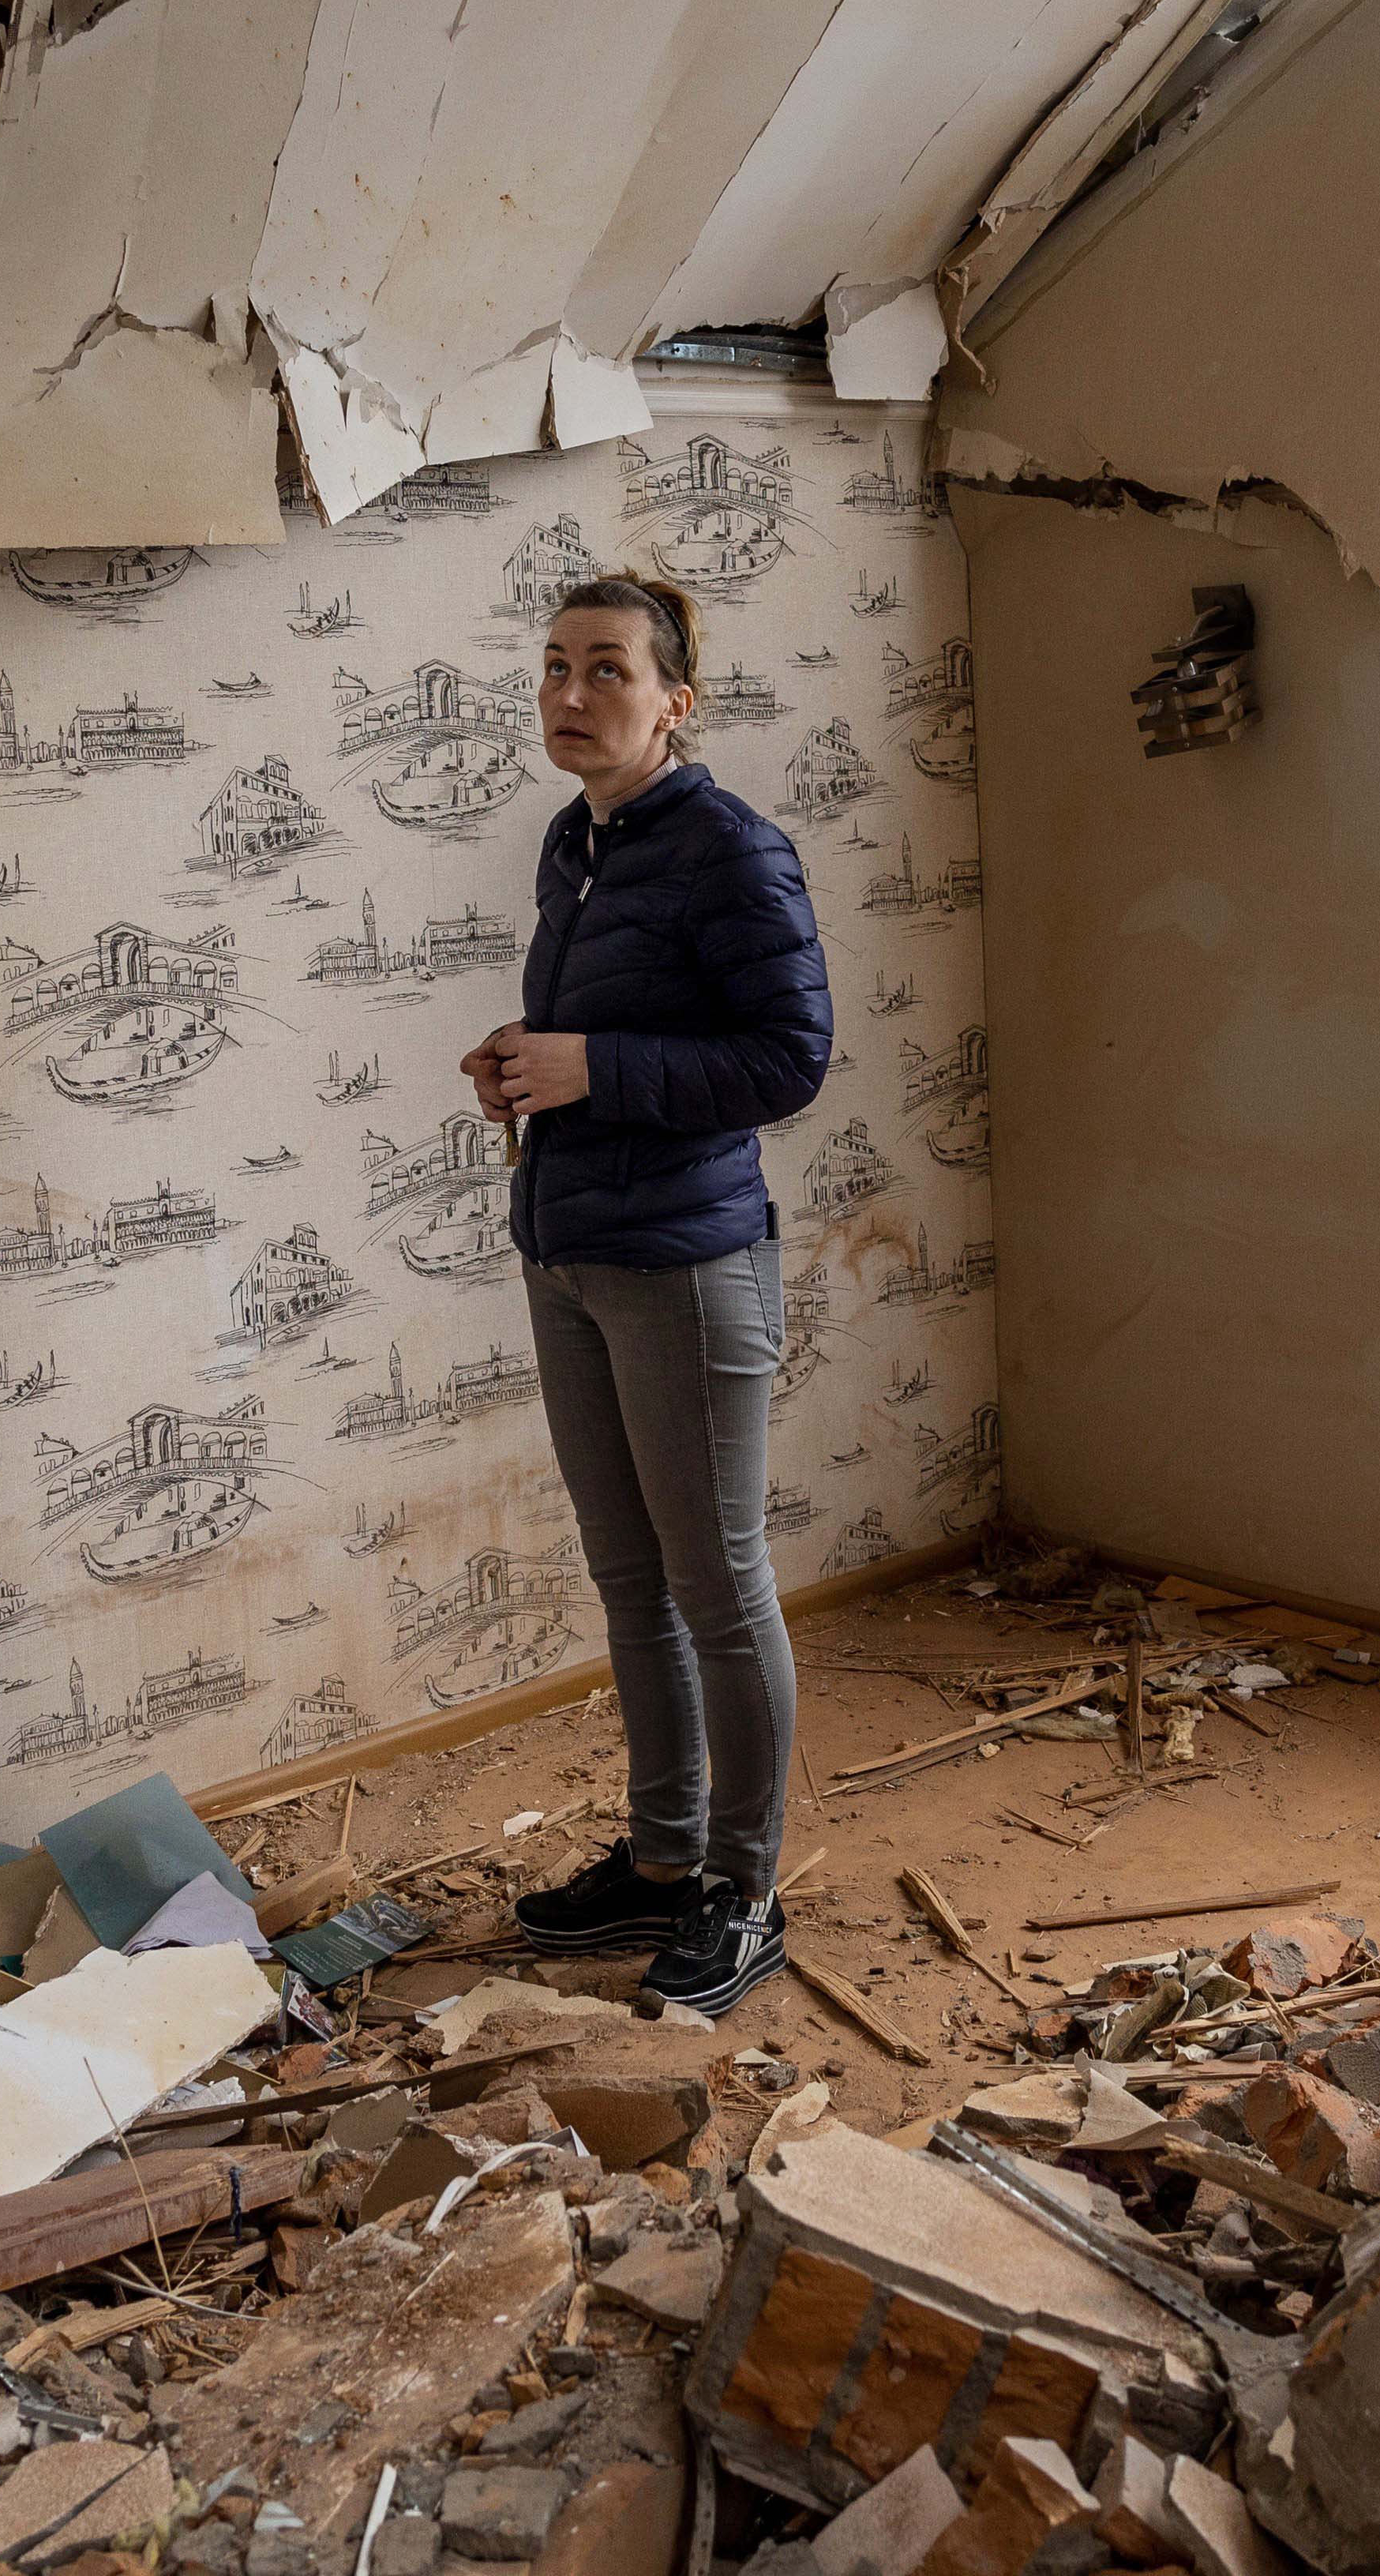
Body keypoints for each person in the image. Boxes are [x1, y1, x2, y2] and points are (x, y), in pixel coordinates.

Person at [463, 572, 831, 2015]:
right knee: (633, 1582)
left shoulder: (735, 850)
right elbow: (615, 1030)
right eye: (555, 667)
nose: (570, 695)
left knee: (718, 1587)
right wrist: (528, 1059)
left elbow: (785, 1061)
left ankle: (743, 1889)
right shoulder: (582, 841)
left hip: (686, 1268)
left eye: (606, 670)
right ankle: (665, 1858)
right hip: (571, 1250)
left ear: (677, 700)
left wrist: (596, 1066)